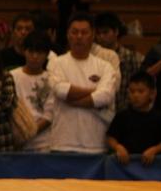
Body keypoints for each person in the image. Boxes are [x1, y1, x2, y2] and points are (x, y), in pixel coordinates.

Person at [48, 13, 118, 154]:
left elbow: (105, 96)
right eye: (74, 32)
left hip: (96, 143)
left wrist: (74, 101)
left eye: (84, 32)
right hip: (62, 142)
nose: (79, 36)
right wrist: (94, 91)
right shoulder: (56, 63)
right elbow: (61, 90)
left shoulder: (105, 66)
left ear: (93, 35)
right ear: (68, 35)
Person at [106, 72, 161, 166]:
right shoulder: (122, 116)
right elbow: (111, 137)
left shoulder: (160, 117)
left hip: (151, 167)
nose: (135, 95)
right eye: (132, 91)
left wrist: (154, 150)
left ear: (152, 94)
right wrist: (118, 147)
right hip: (125, 166)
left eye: (140, 91)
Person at [10, 33, 56, 152]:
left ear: (47, 54)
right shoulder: (11, 77)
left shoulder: (52, 79)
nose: (35, 56)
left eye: (39, 52)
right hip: (17, 142)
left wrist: (28, 133)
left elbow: (49, 114)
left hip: (45, 144)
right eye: (31, 51)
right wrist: (20, 136)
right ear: (24, 51)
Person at [94, 11, 142, 110]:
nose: (101, 37)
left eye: (105, 32)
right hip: (99, 109)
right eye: (98, 33)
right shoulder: (93, 57)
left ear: (116, 32)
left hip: (125, 110)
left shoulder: (131, 57)